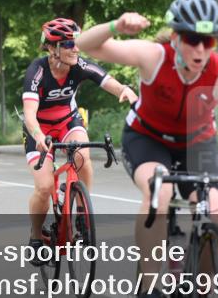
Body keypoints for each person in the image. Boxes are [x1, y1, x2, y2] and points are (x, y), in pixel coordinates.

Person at [76, 0, 218, 298]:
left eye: (209, 41)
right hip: (147, 139)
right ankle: (149, 289)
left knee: (213, 206)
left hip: (197, 143)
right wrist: (116, 25)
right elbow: (85, 45)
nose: (200, 50)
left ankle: (203, 294)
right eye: (192, 40)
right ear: (175, 37)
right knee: (160, 191)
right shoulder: (154, 56)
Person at [23, 17, 138, 262]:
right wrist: (39, 135)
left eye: (76, 42)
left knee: (82, 157)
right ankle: (35, 236)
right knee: (44, 187)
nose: (75, 48)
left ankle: (82, 214)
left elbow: (107, 80)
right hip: (39, 128)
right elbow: (30, 115)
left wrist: (124, 90)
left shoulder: (79, 65)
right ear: (52, 48)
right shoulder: (37, 71)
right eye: (67, 44)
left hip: (68, 121)